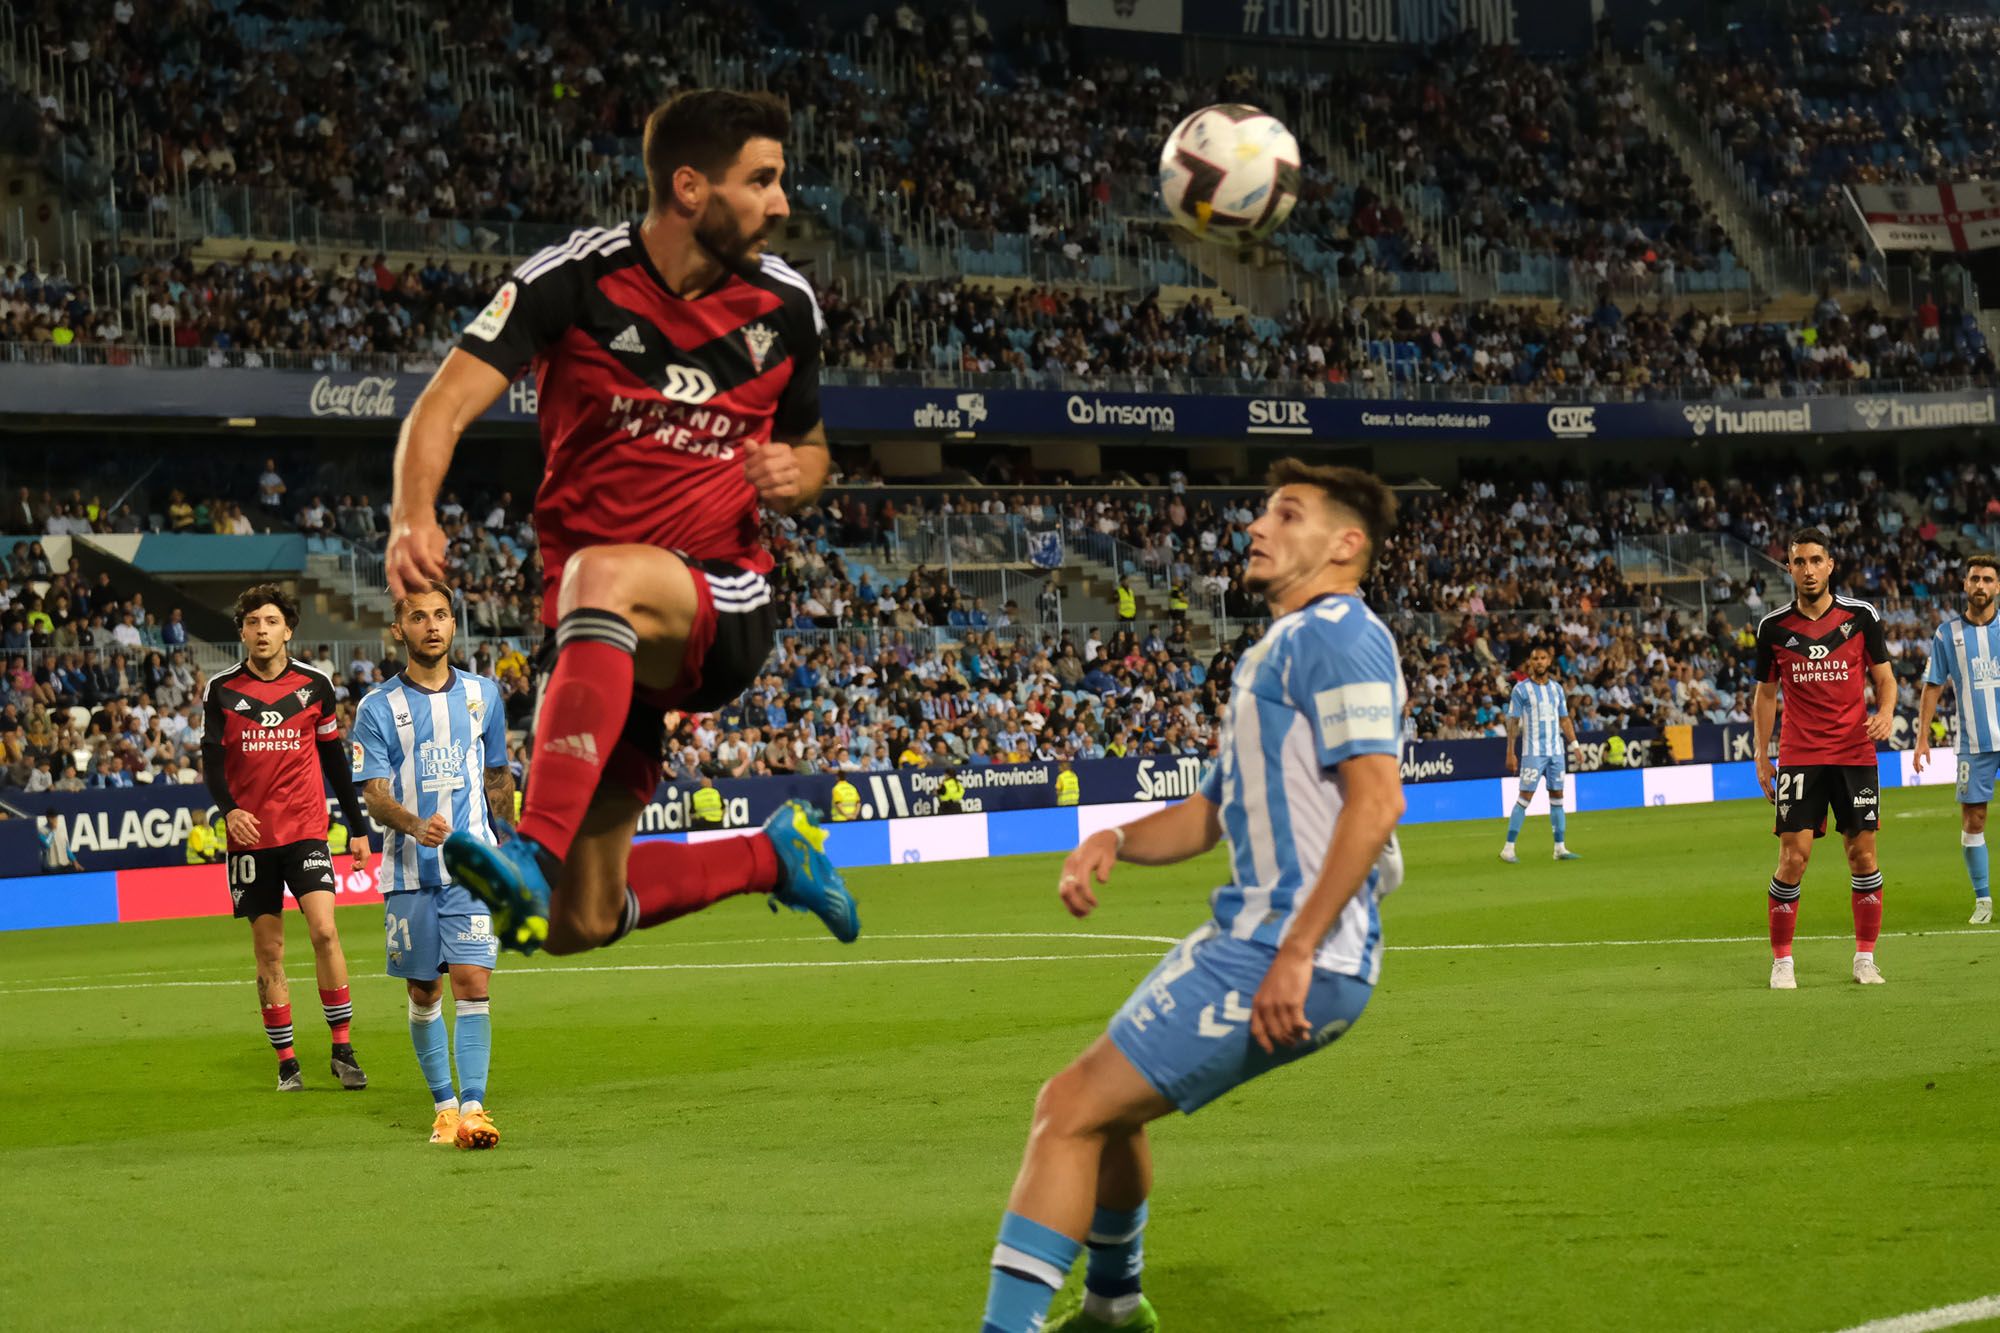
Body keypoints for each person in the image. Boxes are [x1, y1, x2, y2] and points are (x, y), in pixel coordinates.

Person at [386, 89, 855, 959]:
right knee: (580, 919)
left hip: (721, 596)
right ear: (689, 188)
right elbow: (442, 406)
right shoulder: (576, 279)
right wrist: (413, 514)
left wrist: (798, 476)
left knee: (601, 574)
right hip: (604, 641)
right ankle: (770, 856)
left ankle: (527, 849)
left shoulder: (785, 306)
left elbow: (811, 446)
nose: (783, 204)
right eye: (762, 181)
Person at [978, 461, 1406, 1333]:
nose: (1258, 526)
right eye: (1261, 511)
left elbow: (1379, 799)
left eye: (1287, 514)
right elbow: (1210, 814)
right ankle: (1114, 1306)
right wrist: (1117, 838)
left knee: (1066, 1110)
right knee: (1104, 1108)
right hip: (1251, 936)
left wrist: (1295, 949)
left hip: (1285, 947)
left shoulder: (1337, 634)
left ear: (1344, 544)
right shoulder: (1277, 650)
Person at [353, 582, 510, 1149]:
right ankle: (443, 1106)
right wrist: (415, 824)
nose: (433, 625)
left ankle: (472, 1110)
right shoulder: (376, 707)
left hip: (472, 867)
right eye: (418, 617)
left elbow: (496, 773)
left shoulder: (483, 694)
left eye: (442, 615)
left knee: (473, 985)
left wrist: (510, 839)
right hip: (409, 874)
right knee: (425, 993)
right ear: (399, 631)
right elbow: (372, 793)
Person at [202, 584, 372, 1091]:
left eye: (271, 621)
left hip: (305, 830)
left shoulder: (316, 686)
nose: (261, 631)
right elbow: (212, 762)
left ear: (288, 630)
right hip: (251, 840)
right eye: (252, 622)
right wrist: (229, 812)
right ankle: (287, 1061)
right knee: (269, 952)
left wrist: (358, 827)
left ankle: (342, 1048)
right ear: (242, 632)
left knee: (324, 931)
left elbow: (333, 759)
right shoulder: (221, 690)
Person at [1752, 528, 1896, 990]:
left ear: (1830, 564)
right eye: (1799, 562)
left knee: (1863, 856)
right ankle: (1782, 961)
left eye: (1816, 560)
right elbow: (1766, 695)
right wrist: (1761, 754)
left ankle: (1865, 959)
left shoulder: (1860, 616)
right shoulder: (1772, 627)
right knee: (1793, 858)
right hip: (1800, 757)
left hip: (1855, 754)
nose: (1808, 570)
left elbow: (1885, 679)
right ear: (1789, 568)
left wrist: (1887, 712)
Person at [1914, 552, 2000, 925]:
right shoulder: (1946, 634)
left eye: (1987, 580)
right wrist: (1921, 738)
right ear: (1964, 584)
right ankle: (1983, 900)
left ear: (1997, 586)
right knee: (1973, 819)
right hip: (1973, 743)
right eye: (1975, 579)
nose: (1980, 585)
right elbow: (1932, 686)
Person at [1501, 645, 1581, 863]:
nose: (1539, 662)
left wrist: (1574, 745)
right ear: (1530, 662)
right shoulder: (1520, 690)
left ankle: (1560, 848)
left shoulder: (1556, 689)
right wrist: (1510, 752)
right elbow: (1513, 722)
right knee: (1525, 798)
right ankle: (1508, 848)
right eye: (1535, 658)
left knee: (1557, 798)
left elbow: (1564, 719)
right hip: (1533, 753)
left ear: (1548, 661)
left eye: (1543, 658)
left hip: (1556, 752)